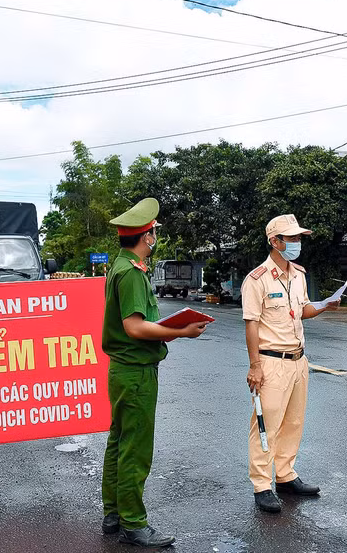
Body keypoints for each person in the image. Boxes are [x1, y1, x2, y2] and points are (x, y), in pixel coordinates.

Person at [101, 197, 208, 548]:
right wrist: (181, 331)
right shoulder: (130, 273)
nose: (155, 237)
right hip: (135, 372)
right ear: (145, 237)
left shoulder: (119, 266)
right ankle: (134, 523)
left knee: (119, 441)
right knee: (135, 447)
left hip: (123, 371)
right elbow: (134, 327)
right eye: (154, 232)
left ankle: (114, 512)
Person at [242, 214, 339, 513]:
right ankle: (262, 484)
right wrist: (254, 366)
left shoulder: (298, 274)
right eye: (291, 238)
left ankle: (285, 475)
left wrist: (324, 305)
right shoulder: (256, 279)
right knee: (266, 425)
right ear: (275, 241)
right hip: (271, 362)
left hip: (299, 360)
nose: (297, 243)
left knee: (293, 422)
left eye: (298, 238)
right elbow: (251, 325)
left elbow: (303, 310)